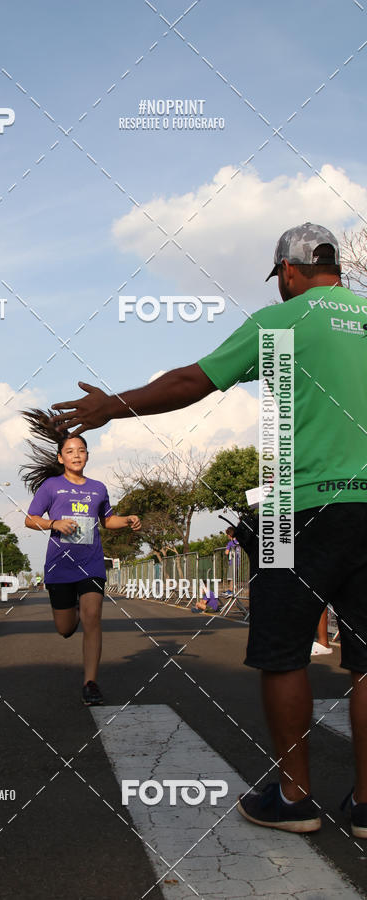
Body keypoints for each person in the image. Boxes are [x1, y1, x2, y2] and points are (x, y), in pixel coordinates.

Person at [51, 223, 367, 837]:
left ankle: (296, 799)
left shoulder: (284, 322)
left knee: (283, 656)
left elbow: (192, 381)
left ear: (290, 270)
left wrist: (113, 405)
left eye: (280, 278)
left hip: (295, 509)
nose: (281, 287)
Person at [21, 409, 141, 706]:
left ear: (87, 455)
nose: (77, 455)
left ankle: (90, 683)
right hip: (60, 566)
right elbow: (29, 519)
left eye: (81, 450)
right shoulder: (51, 487)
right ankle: (70, 606)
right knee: (65, 629)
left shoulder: (98, 488)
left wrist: (127, 519)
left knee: (93, 618)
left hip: (91, 563)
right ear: (61, 458)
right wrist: (53, 523)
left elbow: (107, 520)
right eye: (70, 451)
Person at [224, 526, 240, 597]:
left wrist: (226, 548)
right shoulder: (238, 542)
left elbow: (226, 552)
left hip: (232, 562)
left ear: (229, 535)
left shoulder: (230, 543)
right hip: (238, 562)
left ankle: (231, 590)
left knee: (230, 577)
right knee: (234, 576)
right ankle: (232, 589)